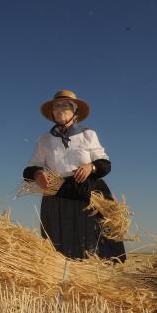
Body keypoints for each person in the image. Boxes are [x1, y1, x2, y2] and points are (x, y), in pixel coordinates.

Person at [22, 90, 126, 261]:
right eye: (56, 106)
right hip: (57, 196)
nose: (60, 109)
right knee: (58, 245)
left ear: (75, 112)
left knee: (89, 243)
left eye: (66, 105)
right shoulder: (44, 140)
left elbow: (105, 165)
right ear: (52, 113)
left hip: (85, 194)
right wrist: (38, 173)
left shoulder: (88, 135)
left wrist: (90, 167)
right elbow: (29, 169)